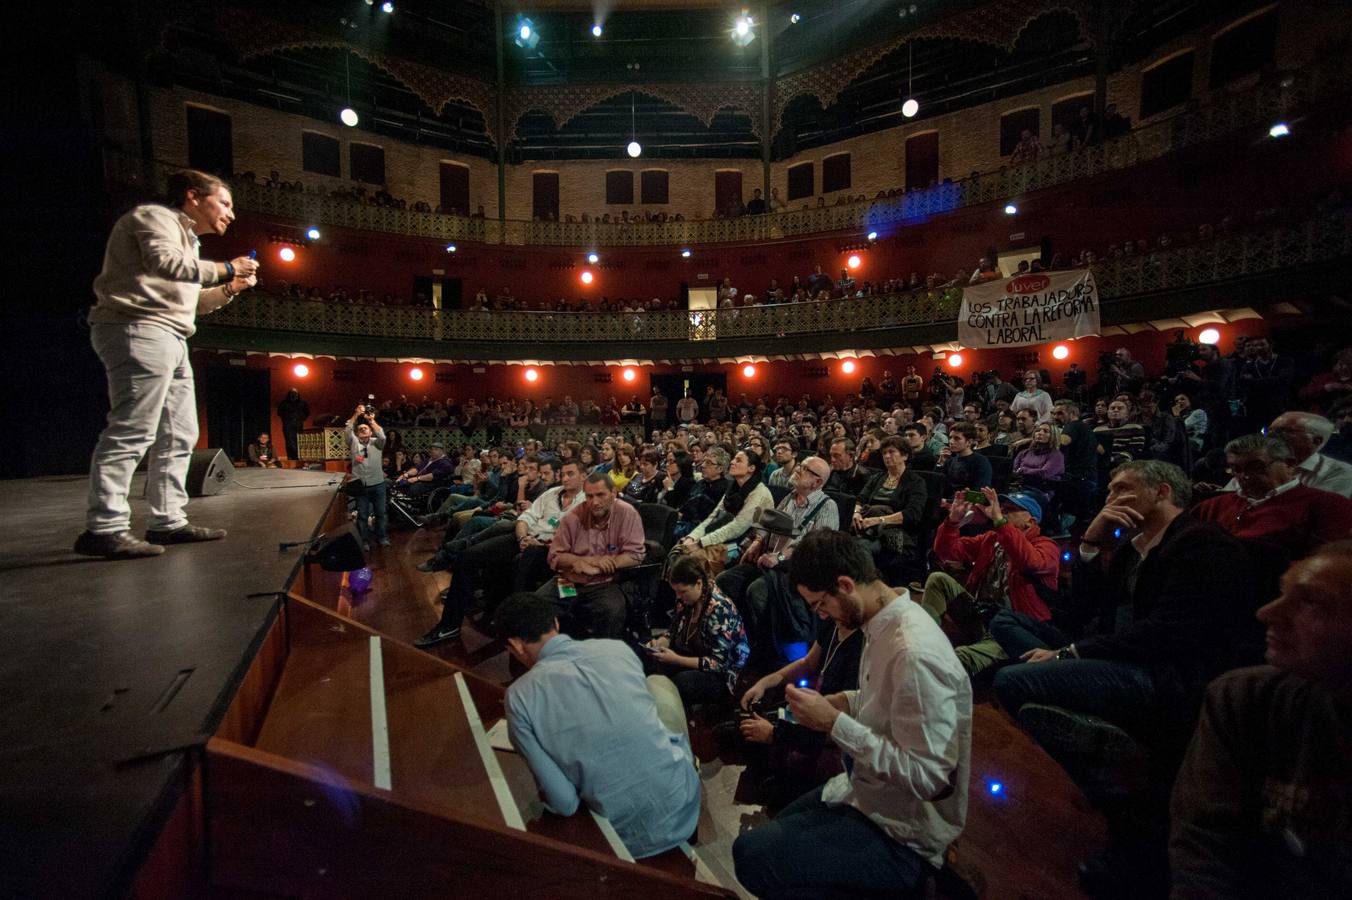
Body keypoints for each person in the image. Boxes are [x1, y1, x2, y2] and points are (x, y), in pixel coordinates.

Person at [732, 531, 972, 898]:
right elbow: (885, 701)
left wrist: (833, 723)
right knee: (765, 836)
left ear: (845, 585)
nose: (820, 615)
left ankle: (905, 882)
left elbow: (929, 779)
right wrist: (843, 701)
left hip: (903, 831)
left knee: (755, 859)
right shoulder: (882, 623)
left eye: (819, 604)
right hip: (863, 790)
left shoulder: (914, 653)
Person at [76, 169, 259, 559]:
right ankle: (104, 526)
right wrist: (228, 267)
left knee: (180, 433)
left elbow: (191, 302)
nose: (231, 213)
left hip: (171, 335)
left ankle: (167, 520)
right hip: (137, 328)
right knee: (133, 428)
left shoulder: (189, 243)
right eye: (224, 203)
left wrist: (229, 288)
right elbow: (166, 265)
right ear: (193, 196)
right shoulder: (153, 218)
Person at [1169, 541, 1352, 899]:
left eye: (1311, 602)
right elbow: (1204, 851)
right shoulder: (1246, 699)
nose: (1267, 612)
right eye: (1283, 593)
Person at [496, 592, 700, 860]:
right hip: (684, 806)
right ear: (556, 623)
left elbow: (564, 803)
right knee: (659, 686)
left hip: (622, 837)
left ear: (516, 645)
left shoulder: (518, 698)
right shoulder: (617, 649)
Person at [416, 460, 584, 646]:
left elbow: (575, 538)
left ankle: (513, 625)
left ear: (583, 476)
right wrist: (522, 538)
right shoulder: (551, 494)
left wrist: (539, 543)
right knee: (468, 557)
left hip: (548, 549)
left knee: (521, 560)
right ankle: (449, 625)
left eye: (571, 474)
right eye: (564, 474)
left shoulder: (586, 501)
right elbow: (526, 517)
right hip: (524, 538)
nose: (565, 478)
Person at [925, 488, 1059, 675]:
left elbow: (1030, 562)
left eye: (1010, 510)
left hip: (1011, 632)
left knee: (956, 659)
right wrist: (953, 522)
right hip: (981, 615)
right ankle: (922, 636)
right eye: (1002, 508)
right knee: (938, 579)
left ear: (1031, 521)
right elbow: (948, 552)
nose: (1002, 512)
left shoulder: (1046, 545)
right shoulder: (992, 539)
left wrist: (1000, 522)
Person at [1193, 434, 1352, 560]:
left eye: (1256, 467)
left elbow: (1326, 569)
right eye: (1236, 469)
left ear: (1289, 464)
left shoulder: (1329, 505)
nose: (1244, 476)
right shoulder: (1212, 506)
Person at [536, 472, 645, 639]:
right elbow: (555, 556)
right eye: (589, 496)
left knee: (612, 610)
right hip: (569, 581)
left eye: (601, 495)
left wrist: (608, 563)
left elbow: (635, 554)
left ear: (613, 493)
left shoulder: (627, 514)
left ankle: (600, 658)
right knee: (535, 607)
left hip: (604, 583)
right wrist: (579, 561)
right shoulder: (572, 517)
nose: (594, 502)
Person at [645, 553, 750, 707]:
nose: (678, 596)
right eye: (676, 591)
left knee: (681, 683)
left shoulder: (719, 609)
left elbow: (719, 664)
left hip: (718, 673)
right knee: (646, 660)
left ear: (699, 583)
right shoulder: (685, 600)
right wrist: (662, 641)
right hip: (689, 654)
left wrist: (676, 659)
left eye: (682, 591)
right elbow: (674, 631)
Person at [346, 404, 389, 549]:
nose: (363, 429)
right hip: (361, 486)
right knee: (363, 515)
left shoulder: (377, 443)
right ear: (357, 434)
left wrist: (371, 421)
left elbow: (382, 435)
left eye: (366, 428)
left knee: (381, 513)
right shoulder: (354, 443)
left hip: (378, 484)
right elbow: (347, 429)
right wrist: (356, 415)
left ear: (371, 432)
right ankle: (364, 541)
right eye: (360, 429)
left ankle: (382, 538)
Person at [937, 422, 993, 496]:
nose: (951, 442)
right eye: (950, 437)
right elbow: (937, 485)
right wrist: (940, 463)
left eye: (957, 438)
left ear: (969, 442)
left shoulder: (981, 462)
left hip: (966, 503)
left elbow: (978, 493)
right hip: (946, 502)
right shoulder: (950, 460)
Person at [277, 388, 309, 461]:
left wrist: (301, 418)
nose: (294, 394)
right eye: (292, 393)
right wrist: (286, 418)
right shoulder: (284, 403)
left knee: (299, 441)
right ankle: (291, 457)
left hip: (298, 424)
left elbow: (307, 412)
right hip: (288, 425)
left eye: (295, 393)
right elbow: (279, 412)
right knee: (289, 441)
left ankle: (298, 457)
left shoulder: (302, 403)